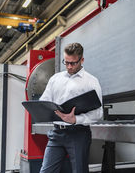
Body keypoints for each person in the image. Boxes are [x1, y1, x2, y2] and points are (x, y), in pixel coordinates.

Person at [39, 42, 103, 173]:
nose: (69, 66)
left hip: (78, 134)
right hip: (56, 133)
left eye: (73, 63)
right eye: (66, 62)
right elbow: (44, 100)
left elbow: (98, 113)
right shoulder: (55, 79)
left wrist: (76, 119)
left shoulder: (91, 81)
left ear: (82, 60)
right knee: (46, 171)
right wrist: (43, 108)